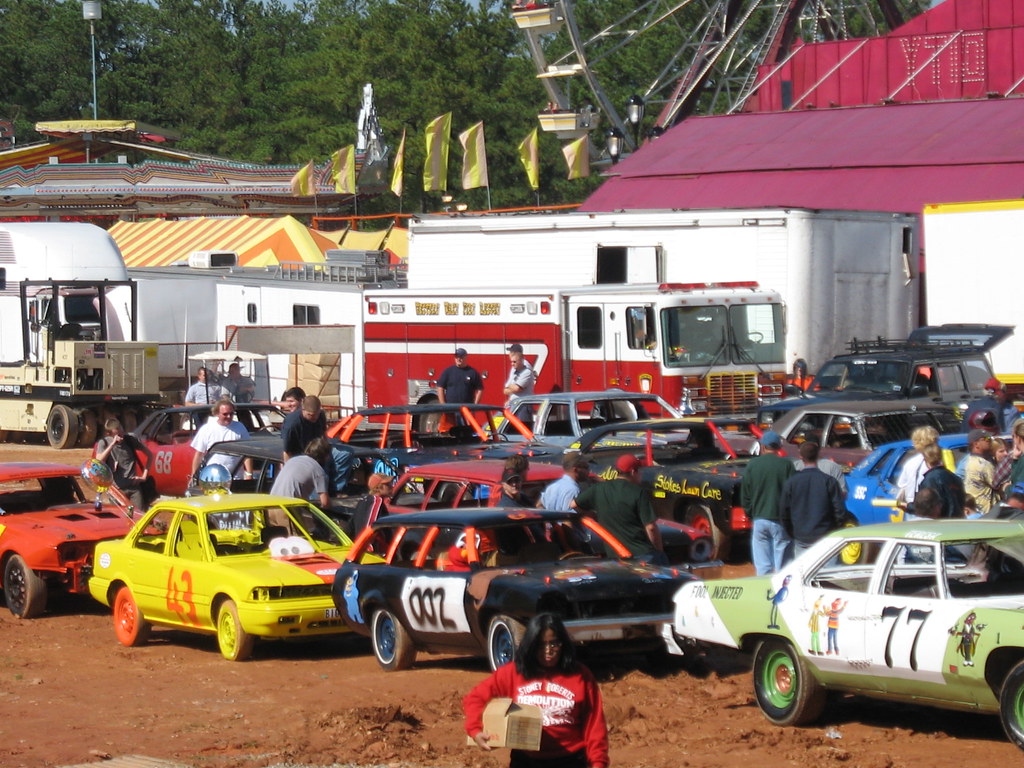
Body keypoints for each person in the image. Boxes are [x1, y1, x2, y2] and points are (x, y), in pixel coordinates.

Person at [464, 612, 609, 768]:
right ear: (531, 645)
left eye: (554, 643)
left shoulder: (580, 676)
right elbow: (475, 698)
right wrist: (475, 730)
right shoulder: (514, 673)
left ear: (563, 644)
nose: (548, 650)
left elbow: (594, 725)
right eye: (541, 644)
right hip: (526, 760)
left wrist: (598, 763)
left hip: (570, 759)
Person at [571, 454, 665, 563]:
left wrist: (594, 515)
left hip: (615, 555)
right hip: (641, 554)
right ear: (633, 472)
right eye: (640, 471)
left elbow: (574, 505)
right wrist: (659, 551)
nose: (641, 475)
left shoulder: (598, 489)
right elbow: (651, 527)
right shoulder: (638, 492)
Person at [779, 441, 847, 561]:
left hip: (802, 536)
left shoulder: (791, 482)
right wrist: (834, 529)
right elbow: (839, 510)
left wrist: (793, 532)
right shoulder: (829, 481)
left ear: (801, 457)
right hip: (826, 536)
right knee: (828, 576)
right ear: (818, 455)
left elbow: (784, 511)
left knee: (803, 575)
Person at [741, 430, 794, 576]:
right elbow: (793, 493)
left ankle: (763, 594)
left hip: (760, 519)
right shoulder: (787, 465)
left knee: (763, 567)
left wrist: (751, 513)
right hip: (781, 521)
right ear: (778, 447)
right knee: (783, 568)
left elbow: (745, 494)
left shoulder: (753, 464)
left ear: (763, 447)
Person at [94, 418, 155, 510]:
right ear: (109, 434)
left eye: (122, 430)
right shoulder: (104, 443)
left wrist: (144, 476)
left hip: (133, 487)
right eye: (118, 434)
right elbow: (99, 461)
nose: (121, 435)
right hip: (117, 490)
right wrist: (112, 445)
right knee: (120, 518)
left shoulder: (130, 440)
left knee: (139, 517)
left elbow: (150, 455)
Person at [189, 398, 253, 483]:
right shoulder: (207, 429)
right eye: (225, 414)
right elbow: (199, 455)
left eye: (231, 414)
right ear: (217, 413)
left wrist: (249, 474)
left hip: (236, 477)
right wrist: (194, 476)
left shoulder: (239, 427)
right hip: (213, 478)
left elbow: (247, 453)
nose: (229, 417)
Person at [270, 437, 332, 509]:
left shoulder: (293, 460)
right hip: (287, 509)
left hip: (270, 505)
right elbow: (325, 503)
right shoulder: (318, 471)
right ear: (326, 456)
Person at [917, 443, 966, 519]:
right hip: (958, 521)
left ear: (925, 459)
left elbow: (927, 507)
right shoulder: (954, 477)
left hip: (941, 524)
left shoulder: (930, 480)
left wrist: (908, 507)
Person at [895, 426, 939, 507]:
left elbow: (901, 484)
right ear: (935, 441)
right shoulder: (940, 459)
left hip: (912, 505)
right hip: (933, 506)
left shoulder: (911, 463)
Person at [347, 473, 394, 538]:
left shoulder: (363, 501)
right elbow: (370, 526)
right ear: (378, 487)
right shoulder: (376, 500)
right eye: (387, 484)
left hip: (359, 544)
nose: (391, 486)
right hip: (369, 545)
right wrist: (368, 546)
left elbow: (350, 527)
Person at [962, 429, 998, 515]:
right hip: (984, 511)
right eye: (985, 438)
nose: (989, 440)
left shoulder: (970, 459)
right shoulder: (982, 464)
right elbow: (998, 483)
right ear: (976, 444)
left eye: (989, 438)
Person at [282, 395, 326, 461]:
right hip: (298, 456)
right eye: (310, 415)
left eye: (317, 414)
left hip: (317, 453)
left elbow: (323, 436)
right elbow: (287, 452)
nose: (315, 417)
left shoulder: (321, 416)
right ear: (303, 409)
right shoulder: (292, 424)